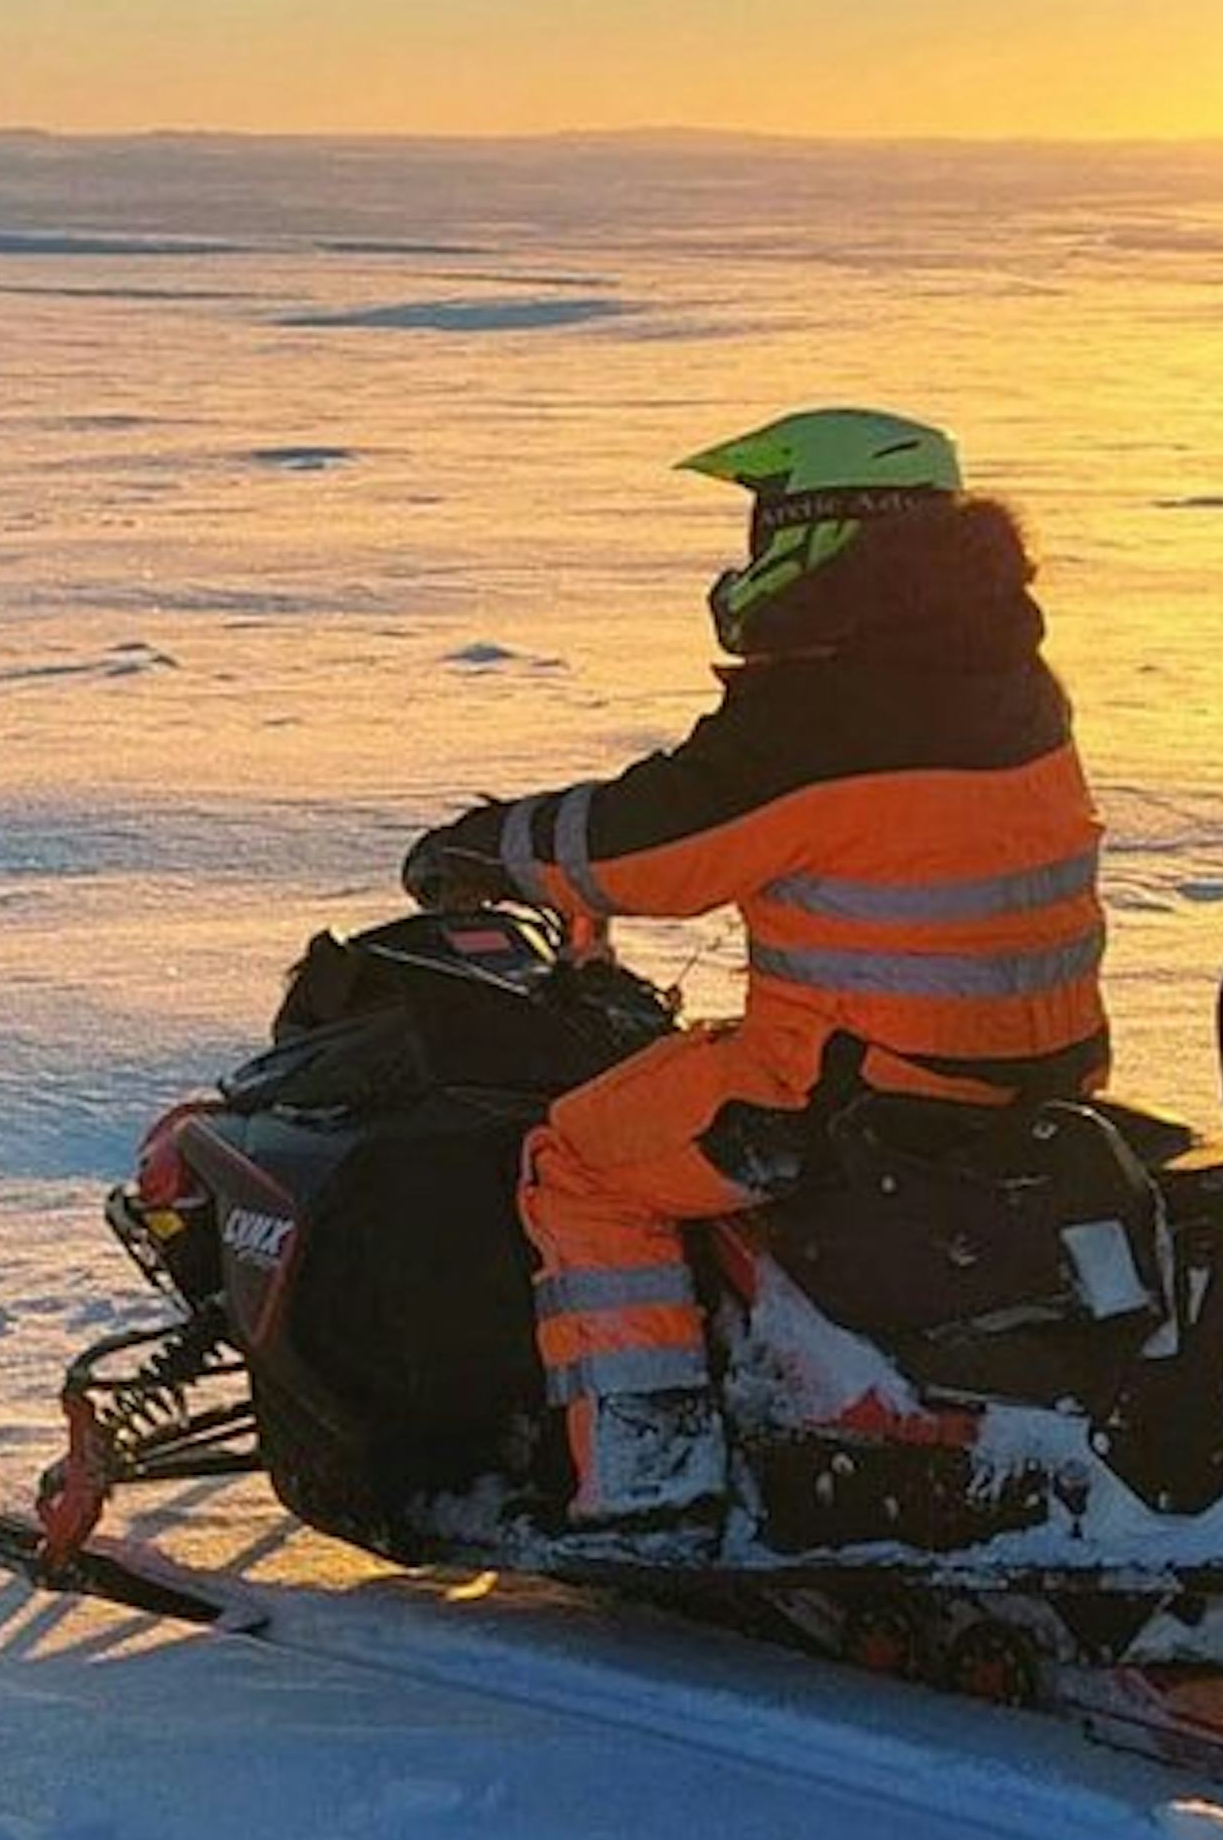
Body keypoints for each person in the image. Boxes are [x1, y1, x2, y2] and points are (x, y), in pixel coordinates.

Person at [399, 407, 1111, 1528]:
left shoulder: (824, 710)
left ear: (825, 530)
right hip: (1033, 1070)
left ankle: (645, 1467)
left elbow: (646, 847)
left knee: (579, 1157)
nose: (749, 553)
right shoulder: (1009, 679)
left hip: (843, 1088)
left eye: (765, 522)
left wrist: (487, 846)